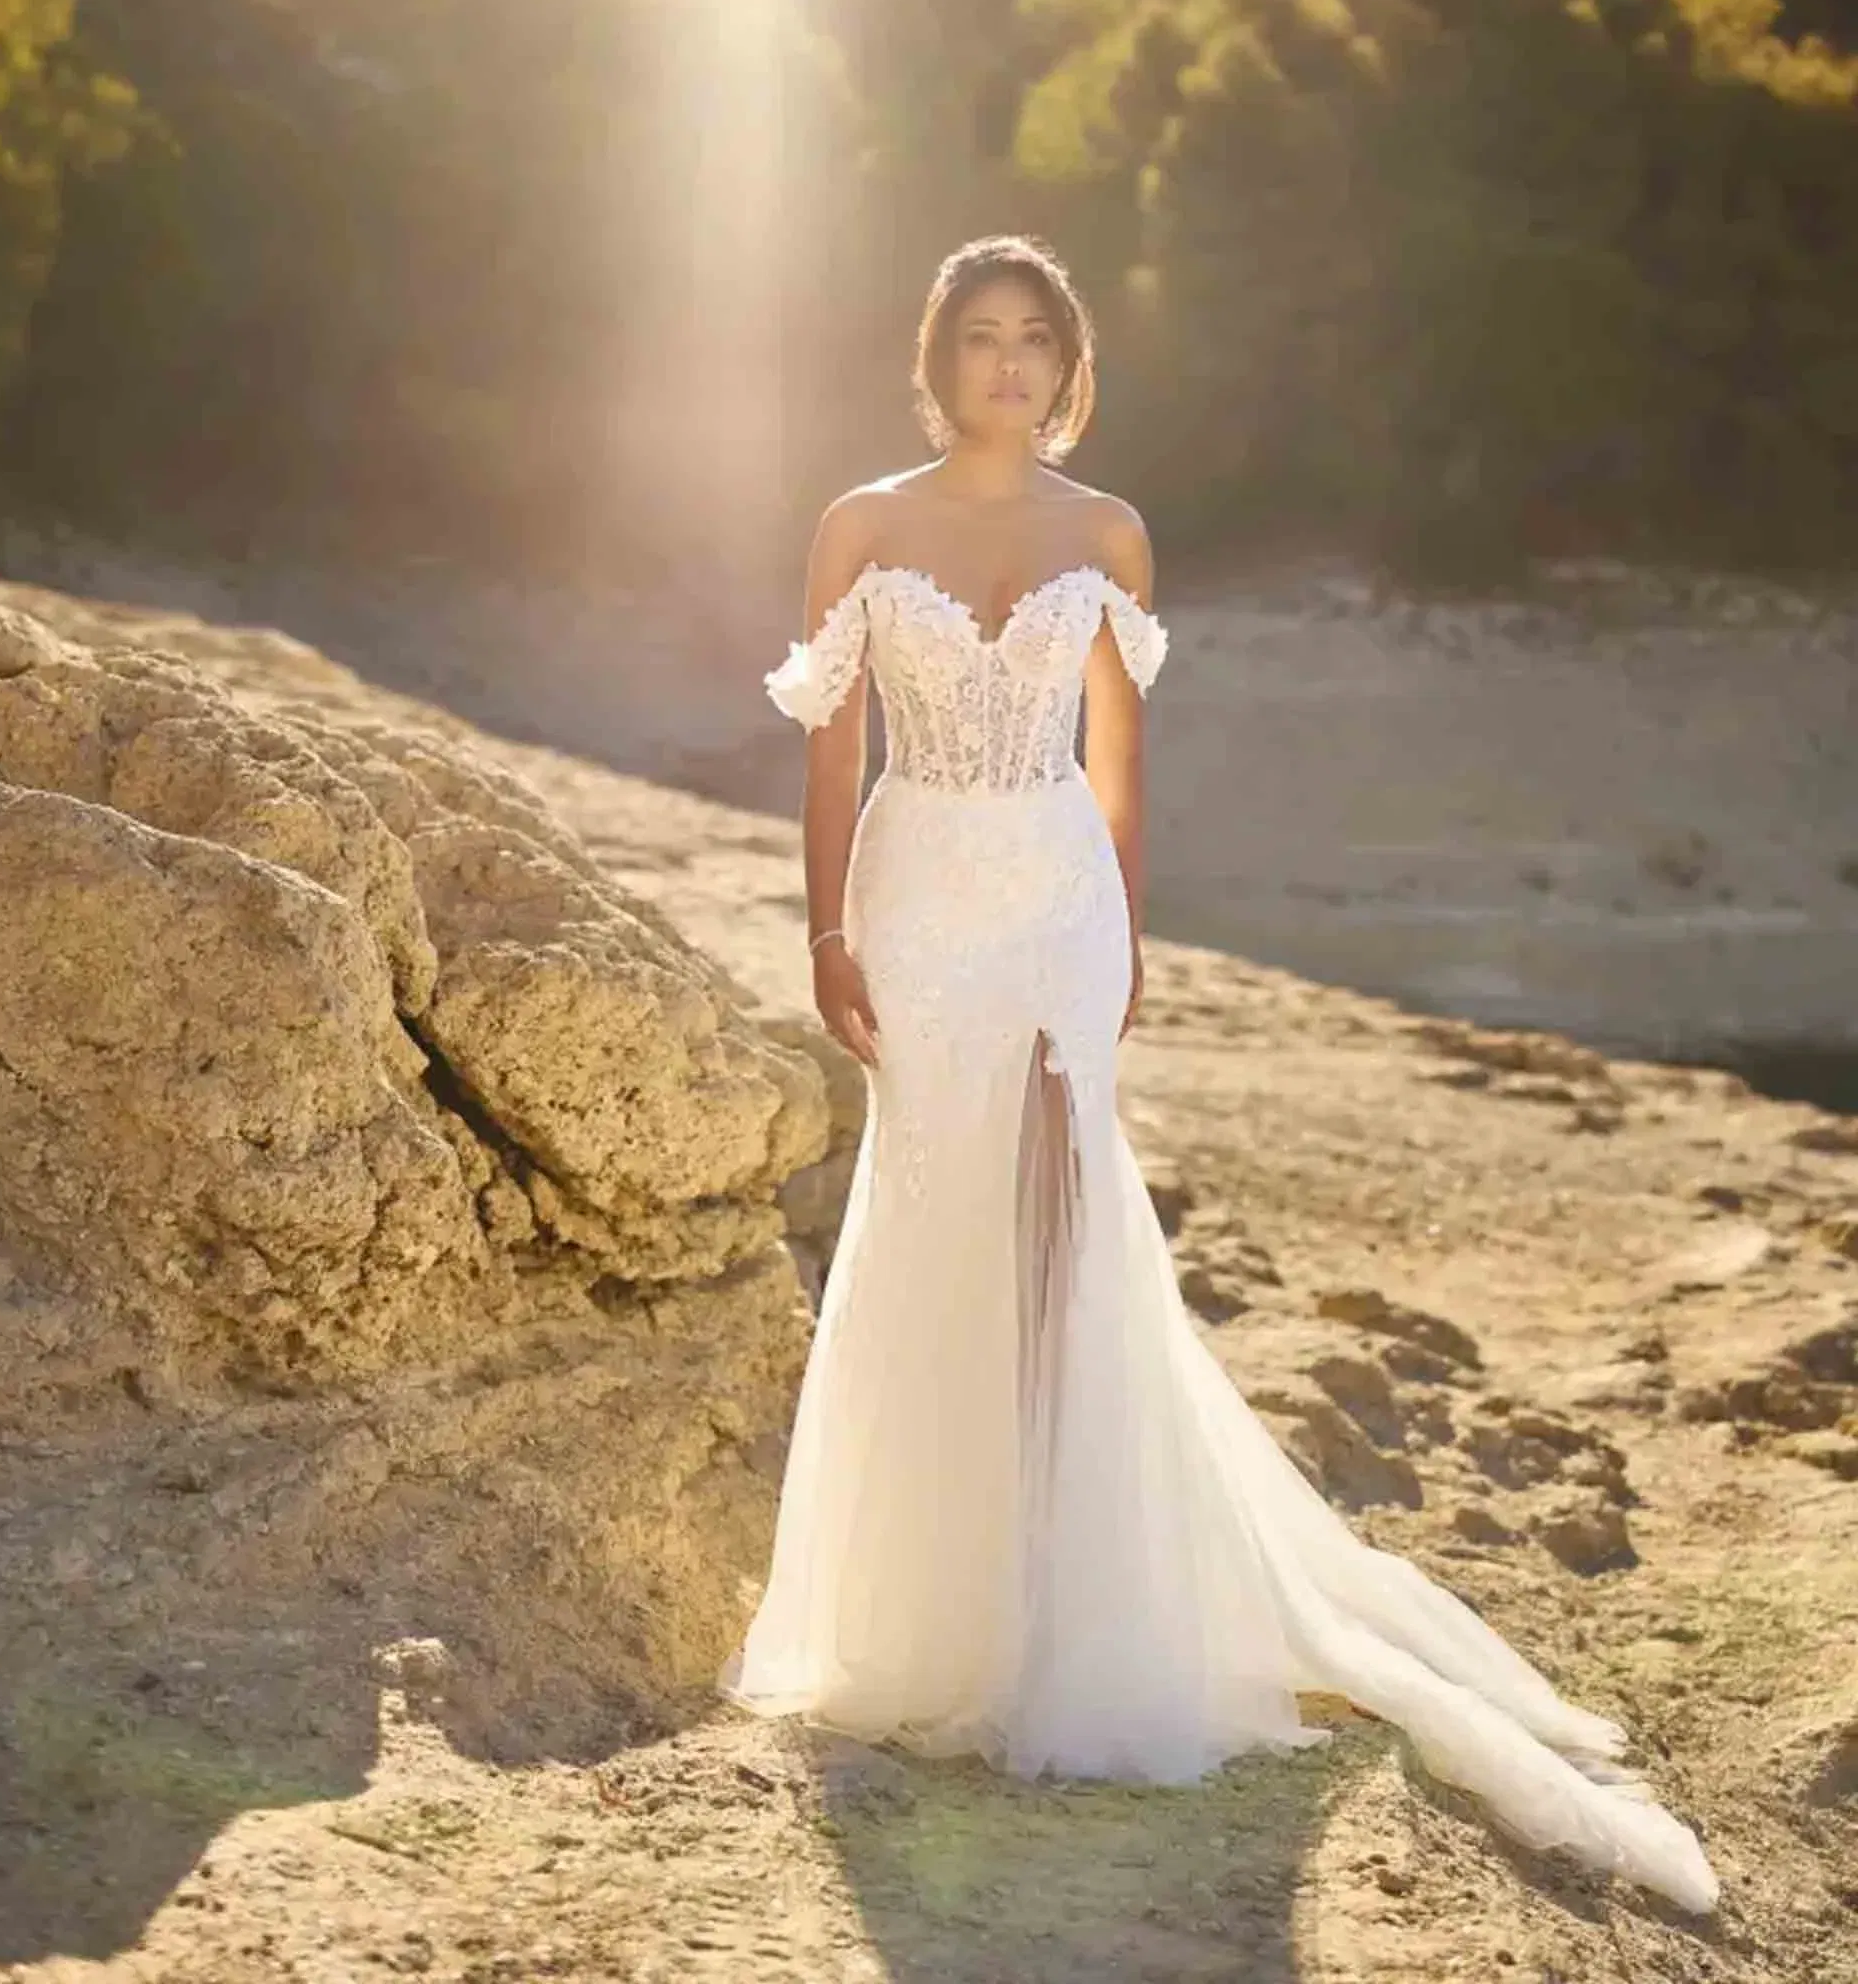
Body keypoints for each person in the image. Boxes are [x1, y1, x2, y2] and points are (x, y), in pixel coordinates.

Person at [717, 233, 1719, 1916]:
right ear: (935, 357)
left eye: (1038, 339)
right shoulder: (860, 526)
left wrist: (1127, 945)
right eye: (981, 338)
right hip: (914, 900)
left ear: (1071, 361)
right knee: (934, 1214)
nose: (1010, 365)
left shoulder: (1106, 533)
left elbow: (1120, 770)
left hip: (1053, 899)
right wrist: (823, 935)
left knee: (1067, 1223)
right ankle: (928, 1619)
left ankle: (1070, 1611)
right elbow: (832, 751)